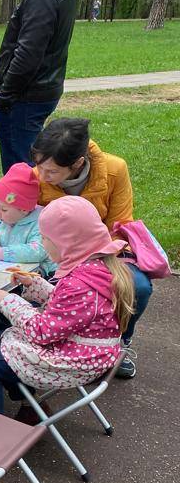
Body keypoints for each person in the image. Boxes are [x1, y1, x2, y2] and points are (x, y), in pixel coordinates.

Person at [0, 197, 134, 471]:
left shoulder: (79, 284)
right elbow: (69, 311)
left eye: (46, 239)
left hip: (74, 361)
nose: (43, 245)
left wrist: (8, 300)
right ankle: (31, 406)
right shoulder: (96, 269)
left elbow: (42, 332)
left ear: (67, 243)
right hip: (89, 352)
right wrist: (35, 284)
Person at [31, 117, 150, 378]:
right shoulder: (37, 176)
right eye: (39, 166)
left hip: (104, 253)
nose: (41, 175)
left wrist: (83, 268)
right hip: (51, 253)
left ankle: (118, 343)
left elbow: (120, 224)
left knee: (138, 287)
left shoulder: (115, 169)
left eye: (51, 171)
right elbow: (28, 221)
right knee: (31, 282)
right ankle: (56, 338)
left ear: (77, 163)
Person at [0, 0, 78, 173]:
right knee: (30, 168)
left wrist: (5, 97)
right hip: (39, 92)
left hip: (26, 98)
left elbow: (28, 54)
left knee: (22, 174)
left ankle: (24, 202)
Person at [0, 162, 55, 358]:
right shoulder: (5, 219)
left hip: (31, 279)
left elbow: (38, 250)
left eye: (3, 209)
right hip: (5, 272)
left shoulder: (39, 222)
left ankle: (2, 337)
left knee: (3, 308)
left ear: (24, 209)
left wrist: (3, 252)